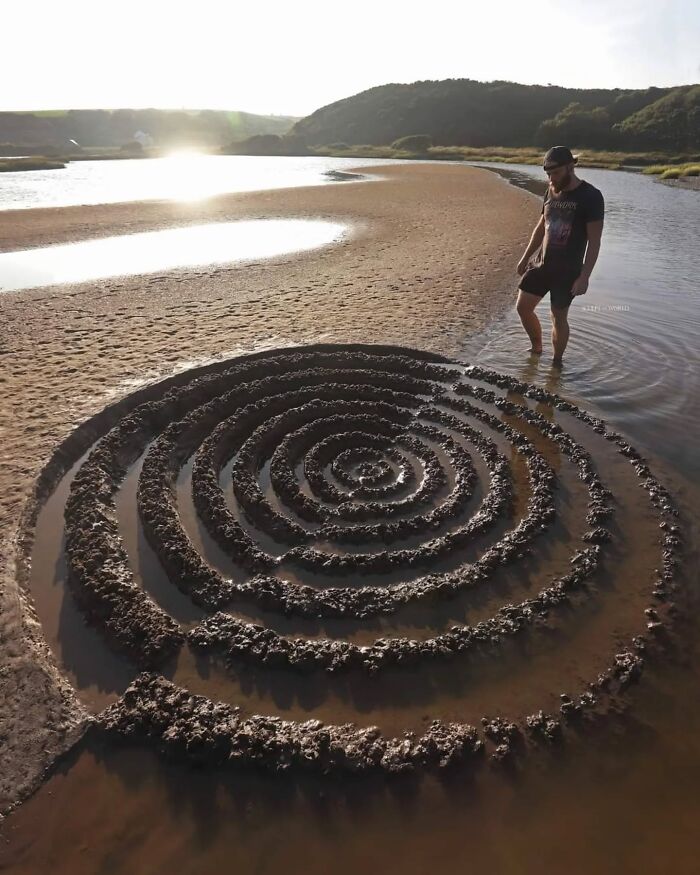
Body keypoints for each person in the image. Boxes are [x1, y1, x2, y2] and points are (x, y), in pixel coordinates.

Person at [515, 146, 604, 365]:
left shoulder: (591, 196)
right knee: (523, 307)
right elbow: (541, 227)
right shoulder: (550, 190)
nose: (551, 178)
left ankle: (556, 362)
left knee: (558, 316)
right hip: (542, 264)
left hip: (568, 271)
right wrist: (526, 257)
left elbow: (594, 241)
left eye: (555, 173)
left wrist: (584, 277)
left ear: (570, 166)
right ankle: (536, 348)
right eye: (548, 173)